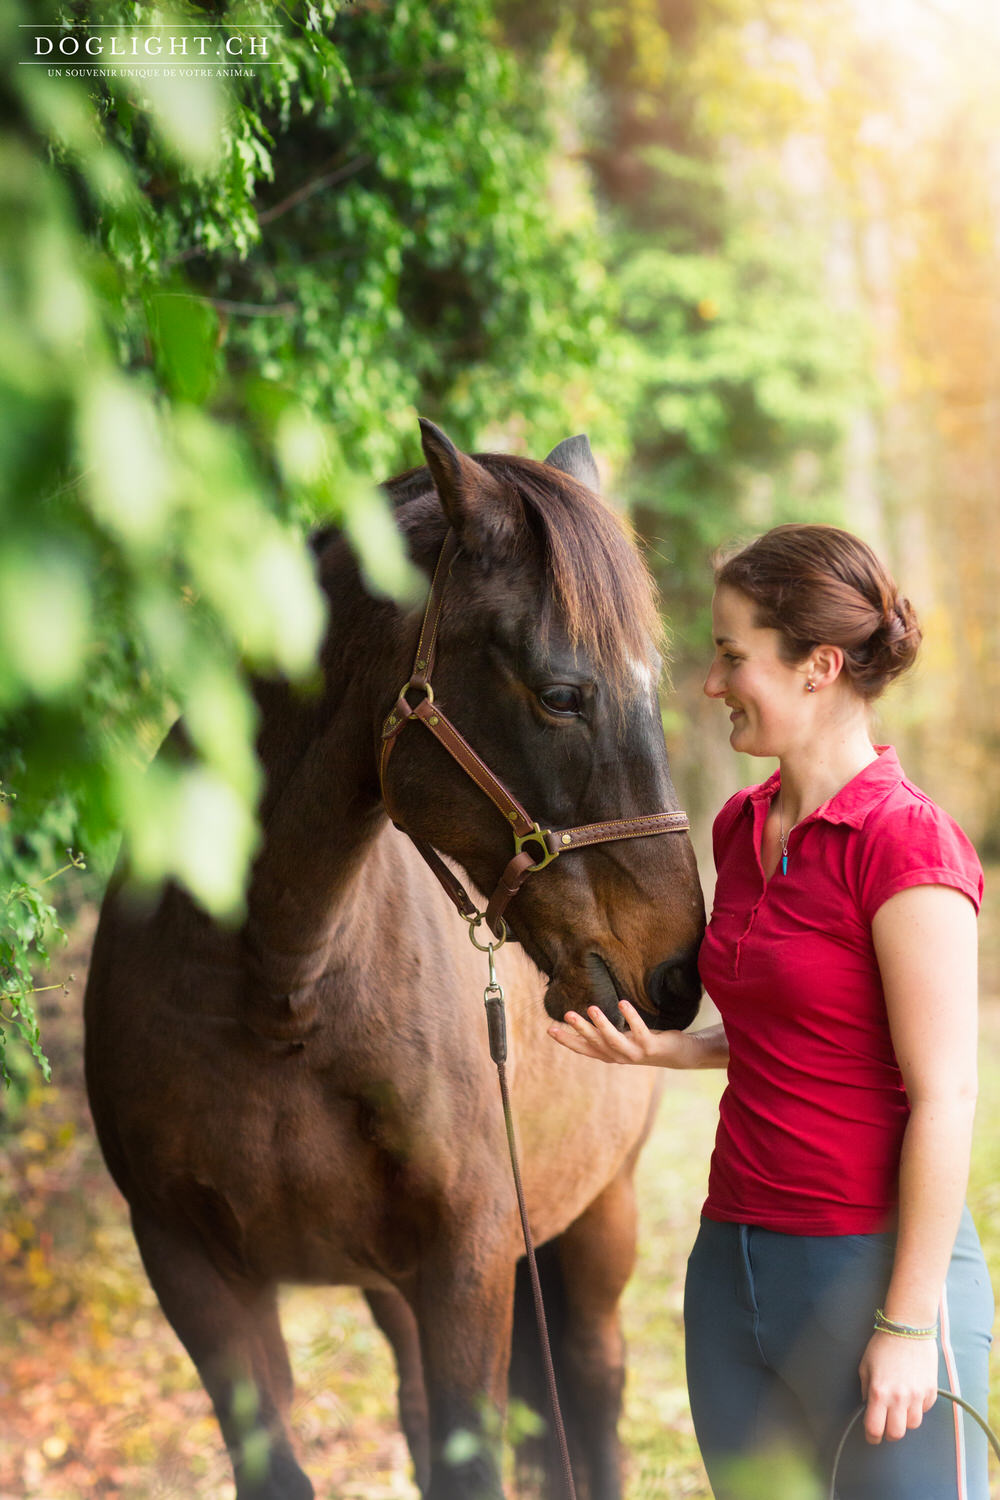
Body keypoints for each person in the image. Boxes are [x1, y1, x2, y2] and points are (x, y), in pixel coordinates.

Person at [547, 523, 994, 1499]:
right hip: (731, 1267)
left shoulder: (906, 846)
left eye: (731, 656)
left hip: (868, 1270)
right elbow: (799, 1030)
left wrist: (908, 1324)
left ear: (816, 667)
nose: (711, 686)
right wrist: (667, 1052)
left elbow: (945, 1094)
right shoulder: (741, 828)